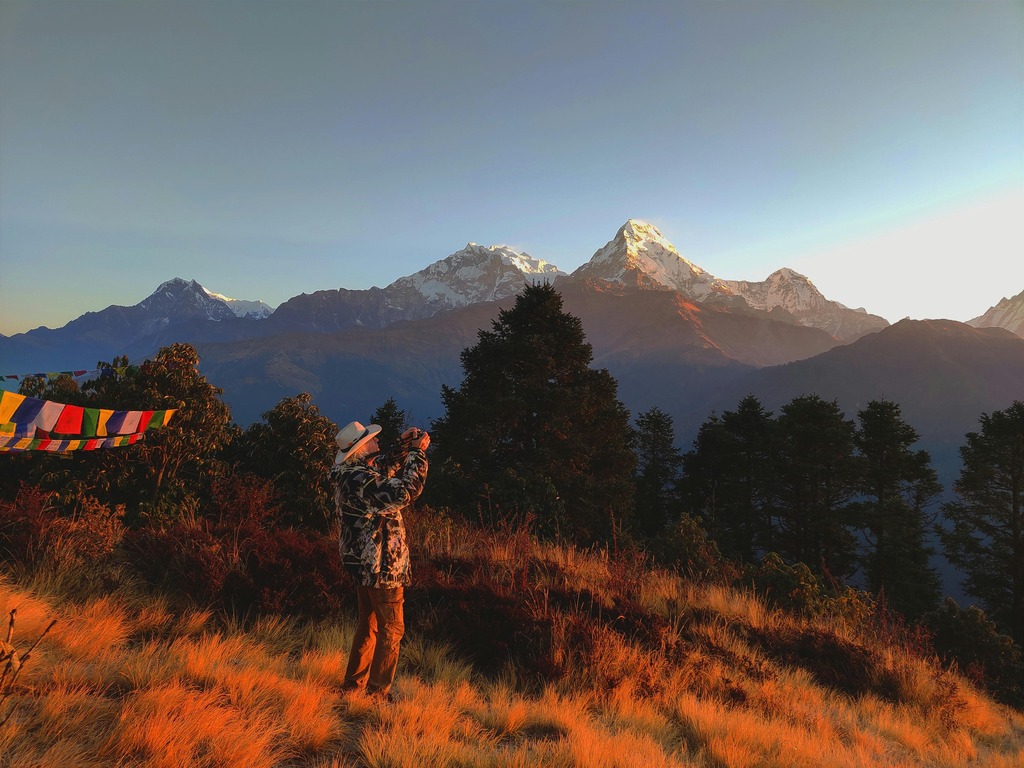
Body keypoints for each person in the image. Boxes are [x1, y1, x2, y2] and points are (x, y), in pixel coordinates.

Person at [331, 419, 429, 700]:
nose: (377, 443)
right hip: (383, 566)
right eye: (371, 441)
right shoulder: (363, 481)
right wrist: (417, 454)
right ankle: (376, 694)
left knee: (368, 625)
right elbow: (404, 492)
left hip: (364, 565)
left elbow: (383, 467)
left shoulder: (352, 475)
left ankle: (353, 685)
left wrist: (402, 446)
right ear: (361, 450)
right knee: (392, 629)